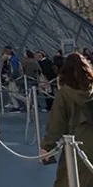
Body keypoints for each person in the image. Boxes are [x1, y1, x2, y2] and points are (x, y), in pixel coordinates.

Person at [41, 53, 93, 187]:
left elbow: (57, 123)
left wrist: (47, 146)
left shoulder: (65, 93)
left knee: (69, 178)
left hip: (76, 142)